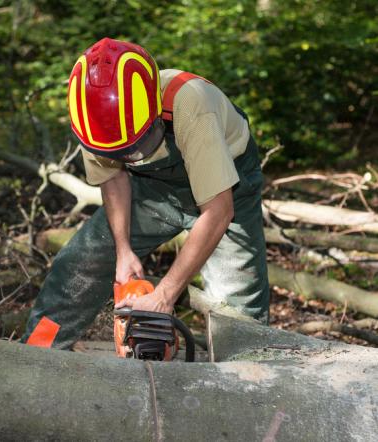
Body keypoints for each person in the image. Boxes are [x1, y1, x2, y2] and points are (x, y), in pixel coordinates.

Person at [21, 37, 269, 350]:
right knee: (78, 265)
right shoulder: (93, 120)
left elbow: (218, 211)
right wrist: (123, 250)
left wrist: (165, 294)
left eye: (136, 146)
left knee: (238, 307)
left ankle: (248, 382)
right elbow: (113, 179)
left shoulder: (189, 103)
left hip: (229, 187)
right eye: (122, 152)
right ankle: (36, 353)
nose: (132, 156)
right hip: (151, 190)